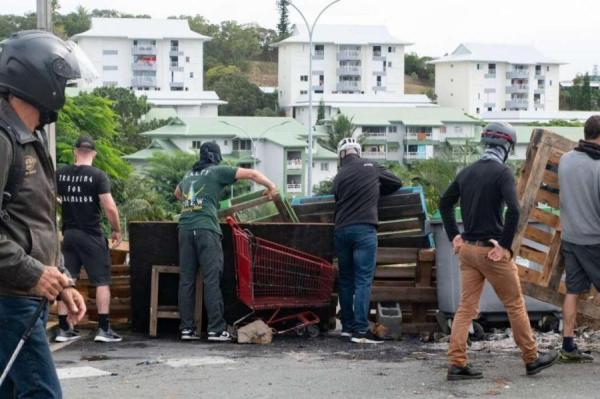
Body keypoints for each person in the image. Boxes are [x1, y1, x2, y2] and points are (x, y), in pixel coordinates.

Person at [0, 30, 88, 398]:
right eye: (62, 81)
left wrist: (61, 280)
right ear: (39, 80)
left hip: (21, 294)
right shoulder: (4, 139)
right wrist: (34, 273)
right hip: (10, 298)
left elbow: (33, 222)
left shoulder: (28, 138)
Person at [439, 122, 558, 381]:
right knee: (514, 304)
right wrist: (504, 245)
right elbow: (514, 210)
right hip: (491, 252)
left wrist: (454, 236)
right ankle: (531, 358)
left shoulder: (466, 172)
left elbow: (444, 203)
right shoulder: (502, 173)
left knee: (466, 308)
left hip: (468, 251)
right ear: (506, 146)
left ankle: (457, 363)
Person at [174, 142, 277, 341]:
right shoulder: (217, 171)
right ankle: (215, 329)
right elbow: (252, 174)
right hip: (206, 229)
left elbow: (177, 194)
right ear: (215, 158)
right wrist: (271, 187)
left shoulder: (189, 175)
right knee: (211, 279)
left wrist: (194, 203)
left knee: (186, 280)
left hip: (185, 229)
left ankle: (187, 329)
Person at [332, 138, 403, 344]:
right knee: (363, 280)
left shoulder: (339, 176)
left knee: (346, 280)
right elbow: (397, 182)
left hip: (342, 230)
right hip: (364, 230)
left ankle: (346, 328)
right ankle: (361, 330)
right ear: (358, 152)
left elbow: (335, 197)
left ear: (342, 155)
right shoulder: (372, 167)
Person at [55, 136, 123, 343]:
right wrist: (116, 230)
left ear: (75, 151)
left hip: (69, 235)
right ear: (93, 153)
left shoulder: (60, 174)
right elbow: (109, 207)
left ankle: (63, 329)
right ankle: (103, 328)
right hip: (91, 235)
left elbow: (49, 199)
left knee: (67, 279)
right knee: (102, 281)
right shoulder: (98, 175)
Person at [557, 115, 600, 363]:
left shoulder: (565, 159)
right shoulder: (597, 166)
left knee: (573, 291)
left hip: (571, 237)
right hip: (595, 239)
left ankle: (568, 345)